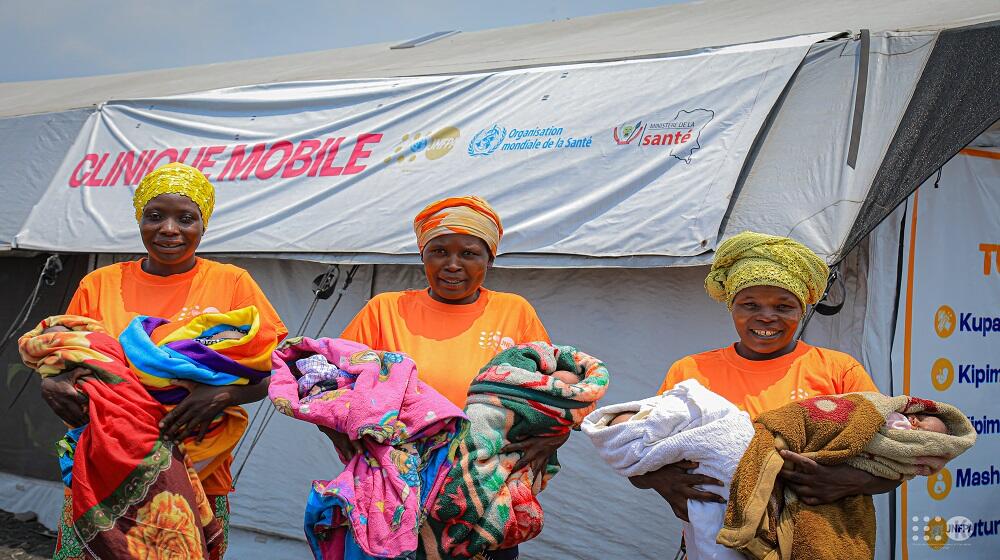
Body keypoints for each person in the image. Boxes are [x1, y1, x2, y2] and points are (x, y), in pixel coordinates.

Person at [39, 162, 287, 557]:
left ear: (203, 225)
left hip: (198, 471)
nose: (169, 229)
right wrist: (52, 381)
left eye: (185, 218)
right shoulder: (100, 283)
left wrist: (221, 396)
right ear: (140, 220)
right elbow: (67, 359)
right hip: (105, 469)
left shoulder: (232, 282)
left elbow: (276, 371)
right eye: (155, 216)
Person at [336, 196, 553, 560]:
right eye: (439, 251)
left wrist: (553, 436)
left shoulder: (514, 311)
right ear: (423, 255)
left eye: (469, 253)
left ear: (490, 260)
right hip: (394, 489)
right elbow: (333, 385)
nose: (453, 265)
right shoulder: (385, 309)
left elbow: (550, 392)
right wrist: (341, 432)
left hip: (484, 492)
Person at [629, 231, 892, 524]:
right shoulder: (691, 373)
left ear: (802, 310)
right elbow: (635, 449)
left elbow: (896, 458)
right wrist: (660, 479)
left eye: (783, 306)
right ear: (732, 307)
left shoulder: (838, 370)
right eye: (750, 305)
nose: (766, 316)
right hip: (715, 544)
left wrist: (850, 480)